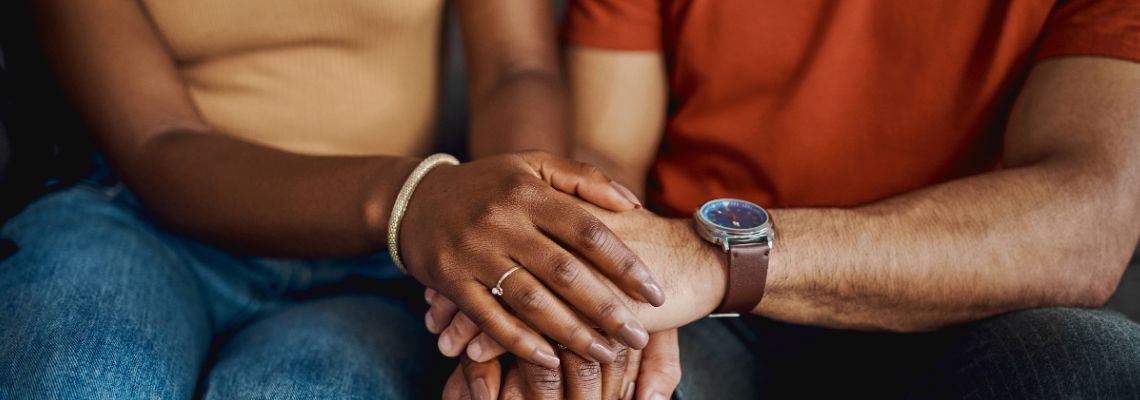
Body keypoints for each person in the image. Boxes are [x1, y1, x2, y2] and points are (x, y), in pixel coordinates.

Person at [430, 0, 1140, 398]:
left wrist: (706, 263)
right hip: (698, 321)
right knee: (571, 384)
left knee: (1094, 364)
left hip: (972, 308)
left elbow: (1089, 216)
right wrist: (597, 286)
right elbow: (607, 154)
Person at [0, 0, 669, 398]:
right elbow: (157, 143)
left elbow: (514, 67)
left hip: (380, 265)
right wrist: (413, 200)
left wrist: (509, 244)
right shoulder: (414, 205)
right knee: (83, 375)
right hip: (137, 222)